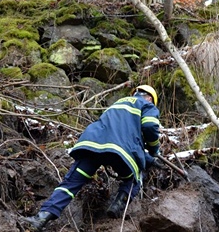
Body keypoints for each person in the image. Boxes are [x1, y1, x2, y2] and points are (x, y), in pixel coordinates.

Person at [22, 85, 162, 231]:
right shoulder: (147, 105)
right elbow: (149, 127)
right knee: (134, 178)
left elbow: (123, 136)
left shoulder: (118, 103)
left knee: (71, 183)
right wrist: (153, 151)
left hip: (93, 146)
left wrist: (149, 159)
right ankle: (117, 207)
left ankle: (41, 218)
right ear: (150, 98)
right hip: (121, 152)